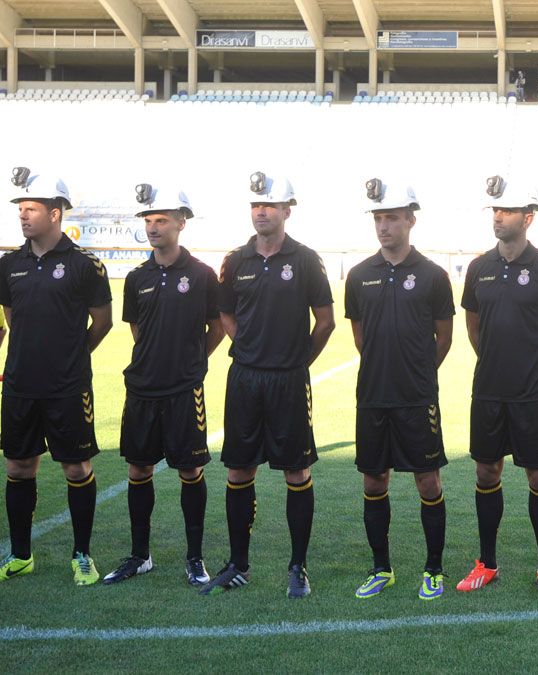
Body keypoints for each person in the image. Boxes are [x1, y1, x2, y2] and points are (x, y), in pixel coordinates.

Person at [199, 172, 335, 598]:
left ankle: (298, 566)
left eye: (270, 205)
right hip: (244, 378)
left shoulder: (307, 259)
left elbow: (326, 320)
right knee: (239, 468)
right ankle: (238, 564)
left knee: (296, 470)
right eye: (256, 205)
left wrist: (297, 362)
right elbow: (225, 314)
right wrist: (252, 347)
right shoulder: (235, 260)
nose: (261, 211)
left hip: (289, 381)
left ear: (286, 211)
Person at [102, 183, 224, 587]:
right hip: (142, 387)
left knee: (190, 469)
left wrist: (192, 361)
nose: (153, 227)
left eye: (161, 220)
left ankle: (195, 558)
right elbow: (138, 328)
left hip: (183, 389)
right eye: (149, 220)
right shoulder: (137, 278)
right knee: (139, 468)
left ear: (181, 223)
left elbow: (217, 326)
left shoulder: (203, 275)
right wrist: (155, 358)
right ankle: (141, 555)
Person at [456, 175, 538, 597]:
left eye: (506, 211)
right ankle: (487, 563)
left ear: (528, 217)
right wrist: (492, 360)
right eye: (495, 211)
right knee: (487, 470)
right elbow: (472, 324)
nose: (498, 217)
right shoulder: (479, 268)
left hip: (532, 394)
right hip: (488, 389)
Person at [0, 167, 113, 585]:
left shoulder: (86, 266)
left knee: (76, 467)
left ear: (55, 213)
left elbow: (102, 322)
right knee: (19, 465)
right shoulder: (9, 264)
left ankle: (82, 554)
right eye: (21, 209)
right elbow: (11, 316)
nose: (23, 215)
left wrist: (71, 356)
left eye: (31, 209)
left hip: (68, 387)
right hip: (19, 386)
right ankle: (20, 555)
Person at [346, 178, 454, 601]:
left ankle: (433, 569)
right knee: (374, 482)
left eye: (392, 217)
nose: (384, 225)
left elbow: (443, 337)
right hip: (372, 396)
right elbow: (360, 335)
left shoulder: (433, 275)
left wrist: (418, 372)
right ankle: (381, 568)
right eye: (378, 217)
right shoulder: (359, 276)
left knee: (428, 482)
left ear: (410, 219)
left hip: (417, 398)